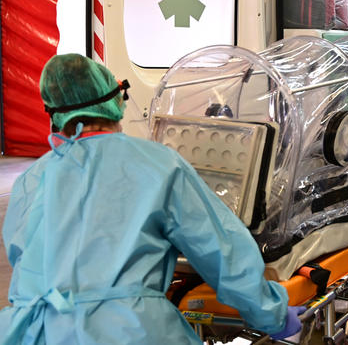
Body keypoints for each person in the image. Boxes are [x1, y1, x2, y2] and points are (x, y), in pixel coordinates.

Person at [0, 54, 304, 344]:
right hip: (127, 330)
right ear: (115, 102)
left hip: (33, 331)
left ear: (55, 115)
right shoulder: (157, 164)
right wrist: (273, 314)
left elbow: (27, 258)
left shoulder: (33, 178)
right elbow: (222, 253)